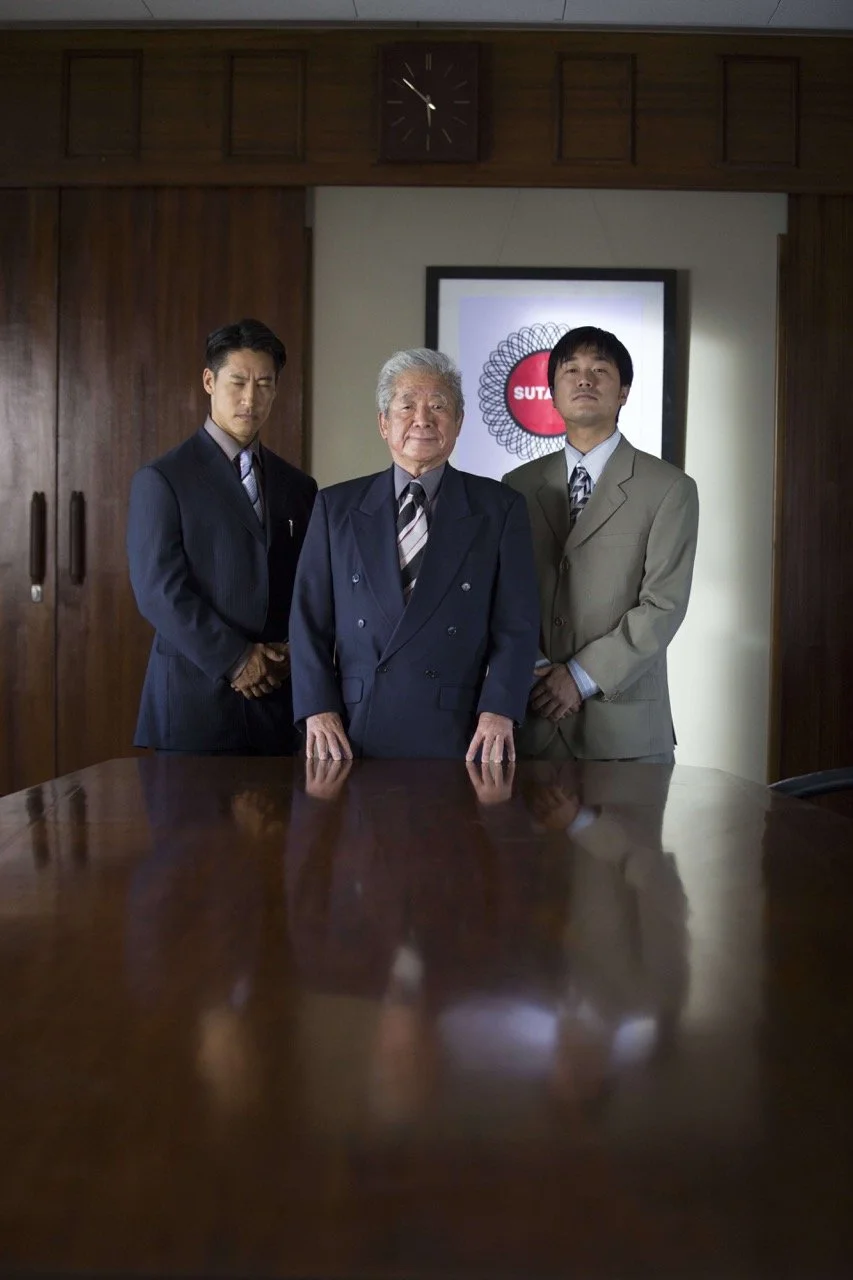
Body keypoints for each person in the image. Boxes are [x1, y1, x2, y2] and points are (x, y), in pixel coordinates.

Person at [288, 348, 540, 761]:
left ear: (458, 422)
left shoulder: (499, 507)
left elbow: (518, 623)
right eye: (407, 406)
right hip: (352, 730)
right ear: (383, 424)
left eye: (438, 406)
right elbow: (308, 620)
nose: (422, 419)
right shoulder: (336, 507)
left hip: (462, 730)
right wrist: (317, 707)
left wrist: (500, 710)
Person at [503, 326, 699, 763]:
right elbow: (503, 595)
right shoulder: (516, 486)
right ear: (552, 393)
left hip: (624, 732)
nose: (584, 379)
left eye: (600, 370)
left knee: (625, 837)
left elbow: (664, 605)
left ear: (624, 391)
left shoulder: (669, 488)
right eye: (570, 370)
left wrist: (578, 676)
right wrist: (536, 670)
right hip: (533, 723)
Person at [127, 318, 317, 755]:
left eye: (265, 384)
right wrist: (236, 660)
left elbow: (308, 583)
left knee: (286, 822)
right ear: (210, 381)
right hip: (196, 702)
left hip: (278, 702)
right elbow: (158, 590)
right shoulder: (164, 479)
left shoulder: (297, 486)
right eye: (238, 382)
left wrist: (289, 653)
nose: (251, 398)